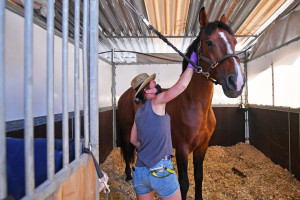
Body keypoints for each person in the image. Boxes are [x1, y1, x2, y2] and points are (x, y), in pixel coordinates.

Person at [130, 52, 198, 200]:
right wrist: (191, 66)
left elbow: (133, 140)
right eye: (152, 83)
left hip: (140, 171)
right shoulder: (158, 101)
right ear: (147, 91)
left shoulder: (138, 112)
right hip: (160, 170)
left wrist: (148, 146)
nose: (156, 83)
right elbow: (182, 86)